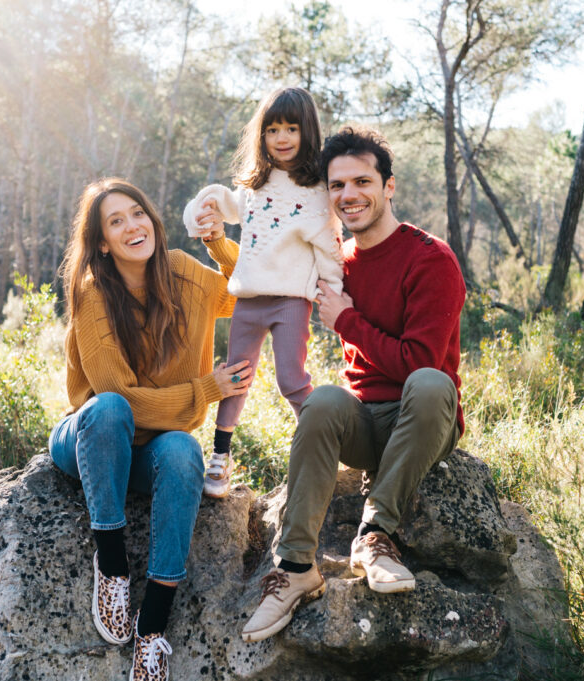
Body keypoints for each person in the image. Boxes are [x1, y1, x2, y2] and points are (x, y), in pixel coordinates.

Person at [241, 126, 466, 643]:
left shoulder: (431, 259)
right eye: (337, 185)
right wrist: (213, 239)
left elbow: (418, 366)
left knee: (431, 382)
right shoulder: (334, 259)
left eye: (362, 181)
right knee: (321, 400)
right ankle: (296, 567)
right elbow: (261, 270)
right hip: (364, 424)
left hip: (423, 419)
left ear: (389, 187)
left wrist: (346, 320)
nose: (349, 195)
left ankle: (375, 535)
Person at [49, 178, 251, 680]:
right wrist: (206, 390)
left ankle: (153, 626)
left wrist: (216, 241)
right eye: (115, 222)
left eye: (136, 213)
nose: (131, 226)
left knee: (184, 449)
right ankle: (112, 568)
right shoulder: (93, 294)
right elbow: (121, 400)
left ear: (152, 219)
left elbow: (247, 286)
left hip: (154, 449)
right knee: (111, 407)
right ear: (101, 241)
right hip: (93, 439)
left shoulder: (182, 272)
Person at [182, 86, 343, 499]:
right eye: (273, 129)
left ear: (308, 132)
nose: (283, 137)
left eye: (291, 128)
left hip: (291, 301)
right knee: (236, 376)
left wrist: (335, 295)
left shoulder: (316, 192)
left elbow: (329, 248)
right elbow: (226, 206)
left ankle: (322, 448)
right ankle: (220, 456)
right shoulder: (255, 186)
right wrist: (204, 209)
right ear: (262, 136)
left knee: (292, 378)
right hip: (249, 301)